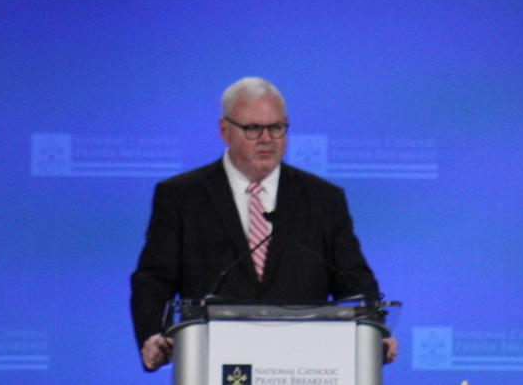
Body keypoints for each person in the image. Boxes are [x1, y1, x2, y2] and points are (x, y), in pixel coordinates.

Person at [130, 77, 398, 371]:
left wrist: (375, 331)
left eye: (277, 128)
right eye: (253, 128)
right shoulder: (182, 196)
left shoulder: (323, 199)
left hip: (303, 367)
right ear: (224, 130)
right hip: (215, 363)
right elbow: (154, 279)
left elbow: (355, 283)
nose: (267, 139)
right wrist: (153, 334)